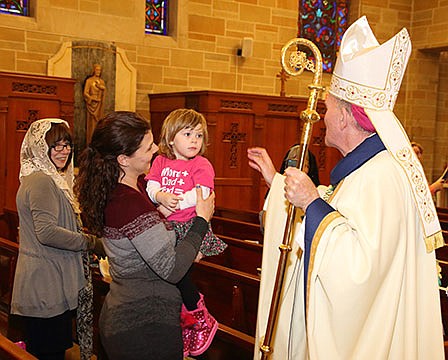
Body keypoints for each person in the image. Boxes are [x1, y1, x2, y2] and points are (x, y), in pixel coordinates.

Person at [248, 16, 444, 359]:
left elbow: (359, 270)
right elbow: (341, 208)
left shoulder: (381, 176)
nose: (323, 117)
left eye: (327, 109)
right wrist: (278, 183)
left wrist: (310, 203)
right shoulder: (369, 169)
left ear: (344, 117)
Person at [74, 111, 216, 360]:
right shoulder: (127, 201)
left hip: (136, 314)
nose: (156, 150)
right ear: (124, 159)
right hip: (143, 324)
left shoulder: (134, 189)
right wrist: (201, 221)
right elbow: (170, 268)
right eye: (148, 146)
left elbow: (149, 243)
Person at [10, 118, 105, 360]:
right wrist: (90, 242)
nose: (64, 151)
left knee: (47, 348)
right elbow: (47, 233)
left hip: (48, 279)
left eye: (67, 145)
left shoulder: (42, 178)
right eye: (56, 146)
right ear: (41, 147)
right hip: (46, 284)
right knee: (49, 351)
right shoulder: (42, 181)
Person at [145, 108, 226, 356]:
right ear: (170, 138)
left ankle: (199, 314)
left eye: (199, 136)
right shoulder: (160, 161)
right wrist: (159, 196)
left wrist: (172, 204)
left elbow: (202, 195)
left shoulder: (201, 164)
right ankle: (185, 321)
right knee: (169, 277)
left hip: (191, 227)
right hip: (167, 227)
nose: (194, 140)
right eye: (188, 133)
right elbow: (151, 185)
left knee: (177, 274)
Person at [83, 63, 106, 143]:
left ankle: (98, 141)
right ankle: (90, 141)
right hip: (92, 104)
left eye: (100, 70)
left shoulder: (101, 82)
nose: (98, 71)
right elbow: (85, 92)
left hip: (99, 104)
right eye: (97, 69)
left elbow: (104, 91)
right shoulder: (89, 81)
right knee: (91, 123)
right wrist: (91, 98)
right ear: (93, 70)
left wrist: (101, 88)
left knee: (99, 122)